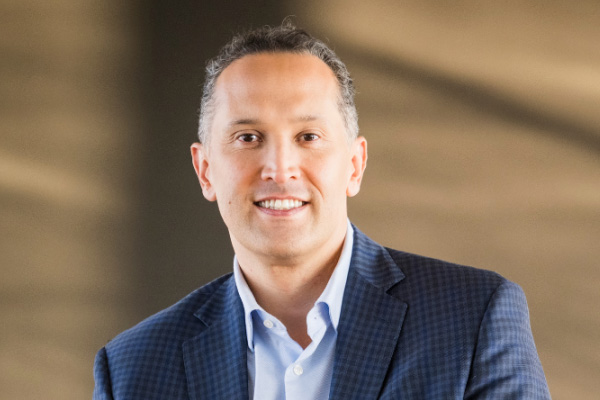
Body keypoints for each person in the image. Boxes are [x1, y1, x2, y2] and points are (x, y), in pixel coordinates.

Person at [93, 22, 550, 399]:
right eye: (248, 138)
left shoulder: (472, 321)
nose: (279, 169)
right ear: (205, 170)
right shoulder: (132, 369)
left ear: (355, 164)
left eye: (308, 137)